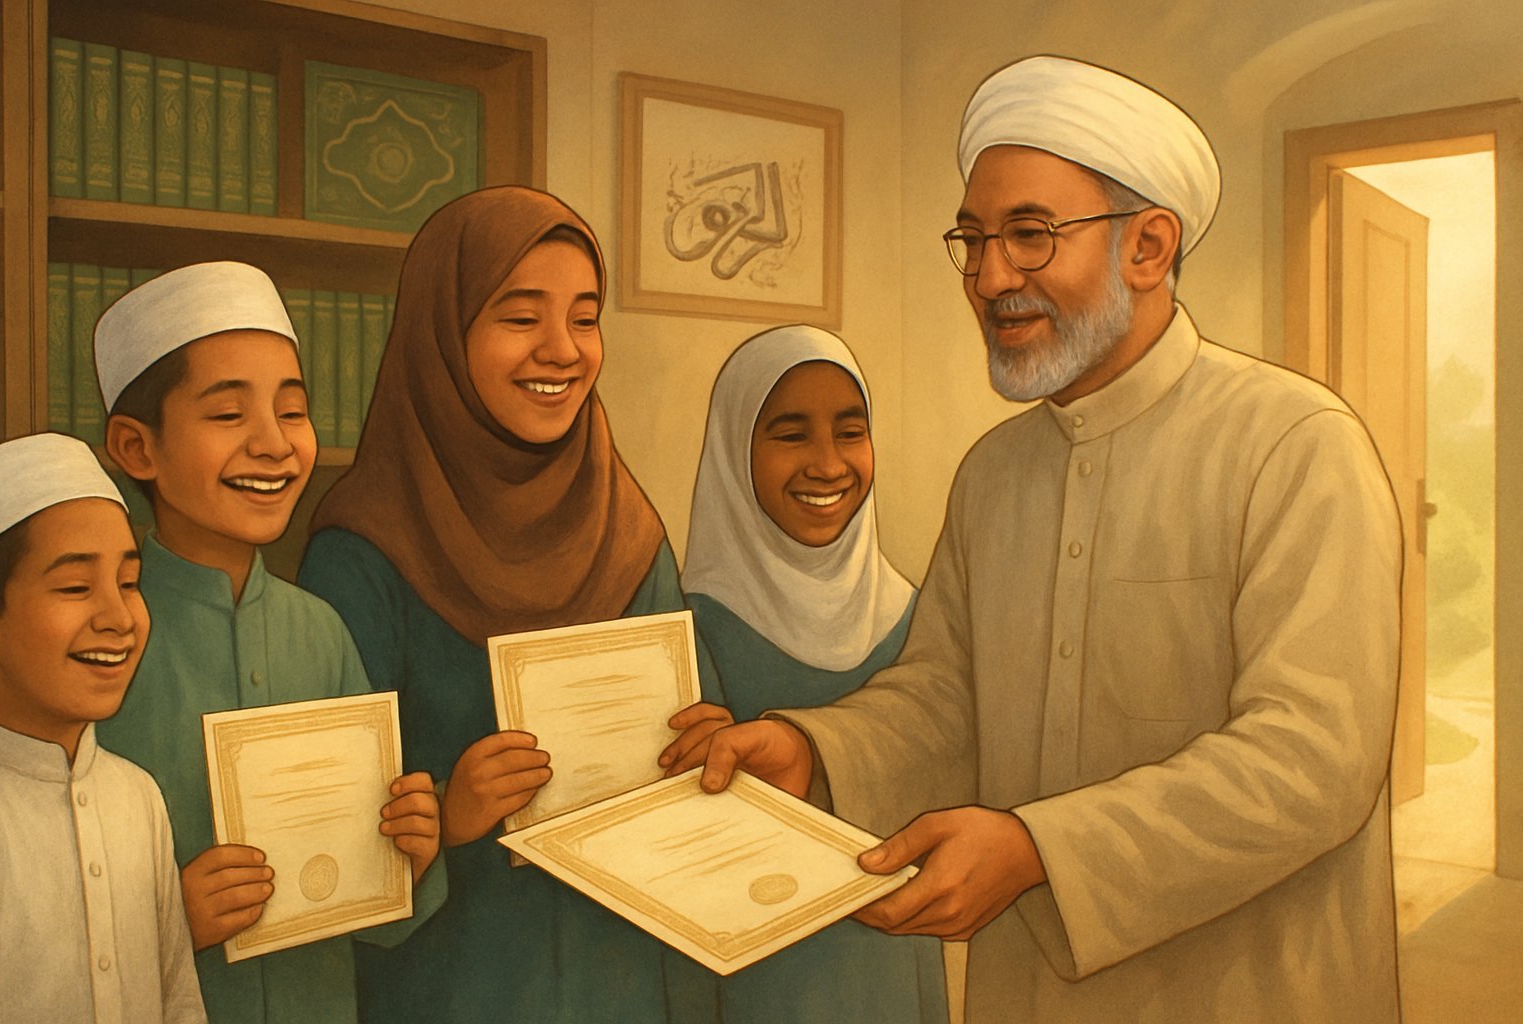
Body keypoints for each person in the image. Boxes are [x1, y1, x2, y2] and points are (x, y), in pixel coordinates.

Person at [698, 55, 1403, 1022]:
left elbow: (1313, 762)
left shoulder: (1294, 445)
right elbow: (948, 697)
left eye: (1030, 236)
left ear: (1149, 247)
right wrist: (812, 752)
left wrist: (1036, 851)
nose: (991, 279)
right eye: (975, 240)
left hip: (1250, 985)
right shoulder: (994, 475)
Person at [296, 186, 729, 1024]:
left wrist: (707, 741)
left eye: (585, 317)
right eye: (521, 317)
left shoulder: (627, 528)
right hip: (456, 984)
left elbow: (689, 732)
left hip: (624, 975)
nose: (562, 351)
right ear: (444, 335)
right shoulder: (361, 553)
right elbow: (314, 849)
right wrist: (448, 813)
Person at [92, 261, 446, 1024]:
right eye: (227, 416)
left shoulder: (319, 629)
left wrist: (409, 851)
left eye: (293, 412)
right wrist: (164, 921)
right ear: (136, 448)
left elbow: (378, 909)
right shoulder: (102, 636)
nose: (274, 445)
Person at [680, 323, 947, 1023]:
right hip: (748, 979)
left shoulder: (917, 617)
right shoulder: (688, 629)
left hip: (888, 965)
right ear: (735, 450)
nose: (827, 464)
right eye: (791, 434)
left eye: (850, 432)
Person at [0, 432, 206, 1023]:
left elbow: (178, 1001)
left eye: (129, 584)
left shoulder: (137, 796)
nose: (117, 618)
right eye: (75, 587)